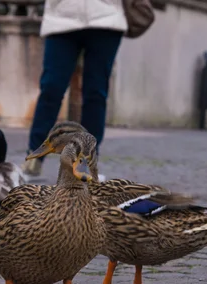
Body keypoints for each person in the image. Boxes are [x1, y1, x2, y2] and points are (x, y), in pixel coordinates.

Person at [21, 0, 127, 181]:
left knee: (95, 93)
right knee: (51, 88)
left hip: (106, 18)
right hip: (61, 18)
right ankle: (35, 157)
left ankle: (87, 161)